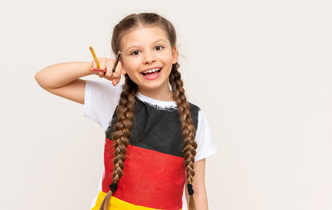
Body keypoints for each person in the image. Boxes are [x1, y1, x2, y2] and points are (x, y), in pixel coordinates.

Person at [35, 12, 217, 210]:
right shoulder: (113, 99)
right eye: (135, 52)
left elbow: (197, 192)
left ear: (173, 54)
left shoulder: (194, 117)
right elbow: (46, 79)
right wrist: (92, 67)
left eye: (158, 47)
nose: (148, 58)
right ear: (121, 63)